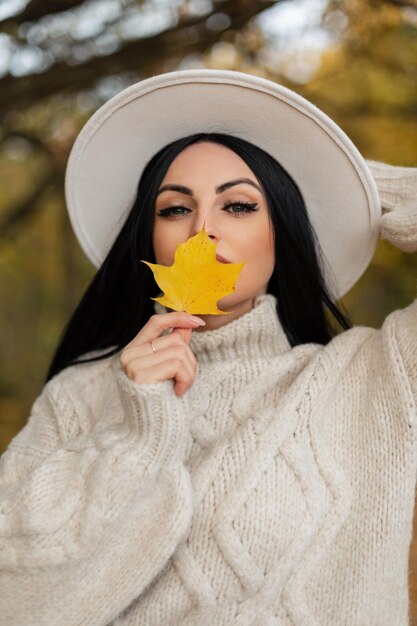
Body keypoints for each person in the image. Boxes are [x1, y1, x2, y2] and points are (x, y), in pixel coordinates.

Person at [0, 69, 417, 626]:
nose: (203, 230)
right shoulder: (78, 394)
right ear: (150, 240)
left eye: (239, 206)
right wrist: (139, 436)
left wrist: (354, 184)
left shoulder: (380, 373)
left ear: (284, 228)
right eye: (174, 209)